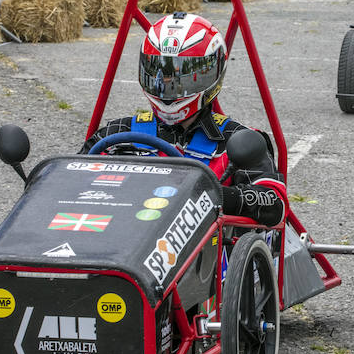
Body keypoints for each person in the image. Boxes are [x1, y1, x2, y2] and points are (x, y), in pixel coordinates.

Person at [80, 12, 286, 228]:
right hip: (120, 240)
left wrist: (212, 195)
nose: (169, 86)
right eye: (160, 73)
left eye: (182, 76)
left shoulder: (235, 141)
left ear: (212, 74)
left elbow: (275, 205)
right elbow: (65, 185)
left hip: (202, 254)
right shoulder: (116, 134)